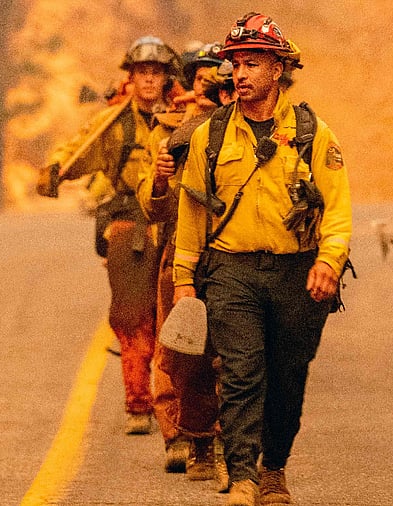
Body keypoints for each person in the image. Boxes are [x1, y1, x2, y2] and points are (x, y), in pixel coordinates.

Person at [172, 12, 352, 506]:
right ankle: (245, 474)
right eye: (236, 64)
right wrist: (183, 282)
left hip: (298, 273)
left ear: (278, 69)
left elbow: (337, 208)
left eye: (253, 63)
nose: (242, 74)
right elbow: (192, 213)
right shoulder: (210, 136)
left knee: (287, 376)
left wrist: (330, 262)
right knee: (241, 370)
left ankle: (274, 468)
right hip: (232, 271)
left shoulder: (315, 133)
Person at [34, 36, 186, 465]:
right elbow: (79, 149)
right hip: (128, 227)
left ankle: (175, 409)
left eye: (156, 72)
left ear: (166, 77)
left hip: (176, 226)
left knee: (173, 320)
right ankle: (138, 403)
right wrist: (56, 171)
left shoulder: (187, 118)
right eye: (142, 72)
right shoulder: (113, 124)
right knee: (130, 315)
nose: (149, 80)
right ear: (132, 78)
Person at [140, 42, 233, 489]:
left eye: (221, 78)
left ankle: (234, 443)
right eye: (203, 78)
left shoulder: (256, 132)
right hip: (182, 253)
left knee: (238, 353)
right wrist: (159, 180)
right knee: (182, 352)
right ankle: (189, 437)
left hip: (237, 255)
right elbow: (154, 209)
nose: (211, 86)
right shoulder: (173, 136)